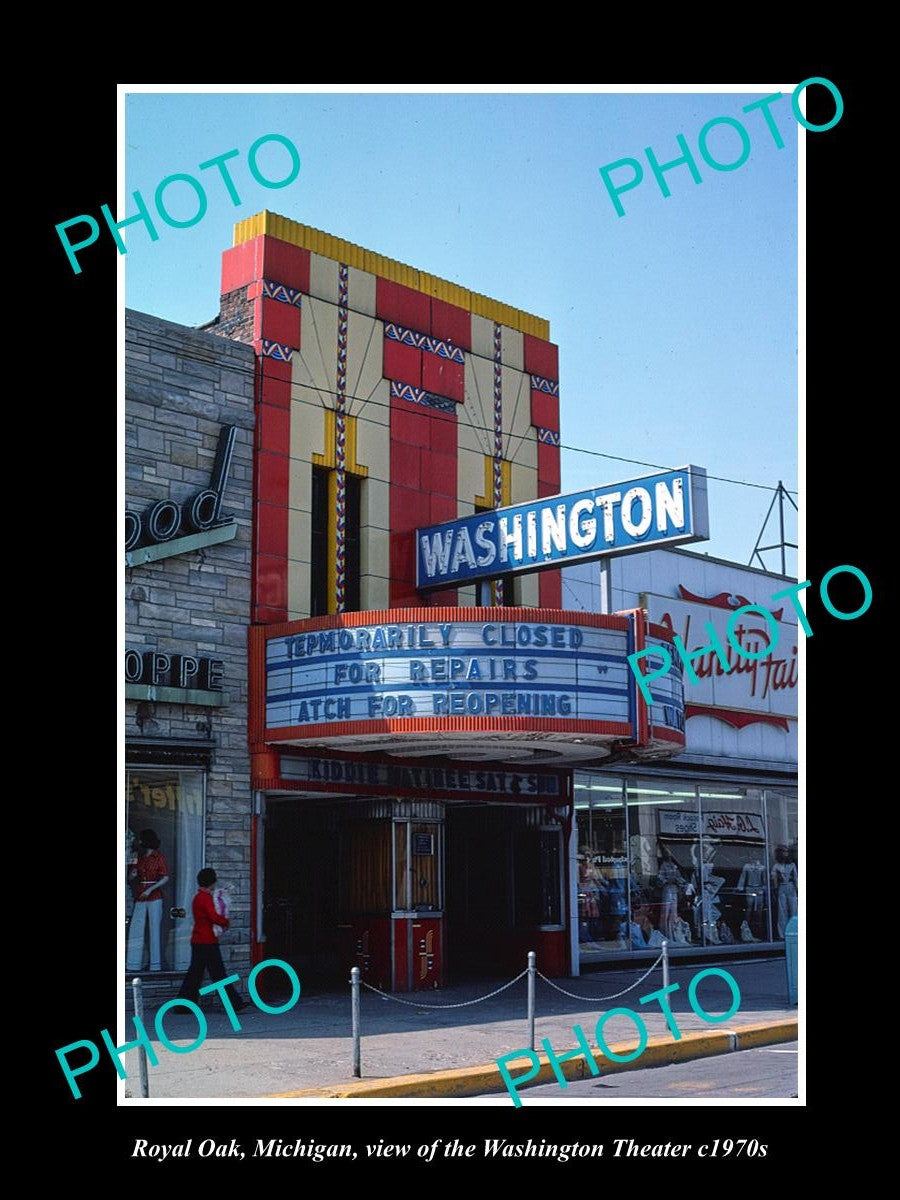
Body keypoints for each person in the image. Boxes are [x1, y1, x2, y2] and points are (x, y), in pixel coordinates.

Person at [177, 868, 247, 1012]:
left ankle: (183, 1005)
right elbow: (213, 916)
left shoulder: (197, 897)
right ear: (211, 882)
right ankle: (233, 1004)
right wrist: (225, 922)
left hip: (198, 939)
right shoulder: (206, 898)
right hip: (207, 940)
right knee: (218, 973)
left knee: (195, 974)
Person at [126, 829, 169, 973]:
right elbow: (132, 876)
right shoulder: (141, 857)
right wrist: (132, 872)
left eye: (141, 839)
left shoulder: (158, 857)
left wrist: (150, 889)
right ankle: (133, 964)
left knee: (154, 929)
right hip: (141, 894)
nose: (139, 842)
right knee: (136, 928)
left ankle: (155, 965)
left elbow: (165, 877)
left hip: (154, 895)